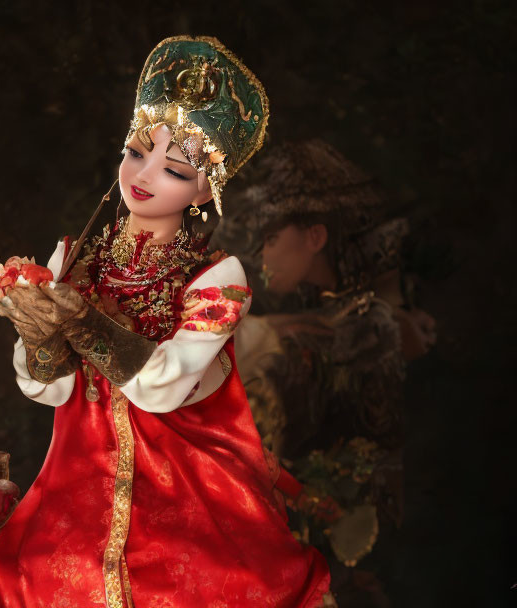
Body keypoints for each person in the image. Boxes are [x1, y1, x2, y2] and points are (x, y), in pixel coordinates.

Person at [0, 36, 334, 608]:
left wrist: (84, 324)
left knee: (201, 581)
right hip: (76, 489)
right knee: (35, 568)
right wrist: (37, 332)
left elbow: (164, 388)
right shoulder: (71, 257)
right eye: (136, 152)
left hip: (192, 491)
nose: (143, 174)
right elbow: (52, 389)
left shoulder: (218, 278)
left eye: (173, 167)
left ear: (204, 190)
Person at [214, 139, 433, 606]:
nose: (265, 257)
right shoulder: (308, 312)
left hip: (355, 528)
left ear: (315, 237)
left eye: (273, 239)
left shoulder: (368, 323)